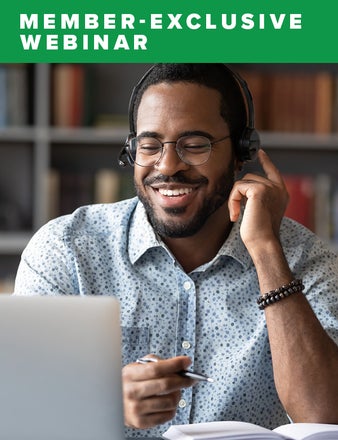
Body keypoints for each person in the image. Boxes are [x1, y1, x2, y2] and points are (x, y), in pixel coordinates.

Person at [14, 64, 338, 438]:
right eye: (150, 145)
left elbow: (325, 419)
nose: (167, 166)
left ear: (240, 153)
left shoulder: (305, 259)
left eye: (195, 144)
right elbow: (24, 407)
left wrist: (267, 251)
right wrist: (100, 400)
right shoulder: (67, 250)